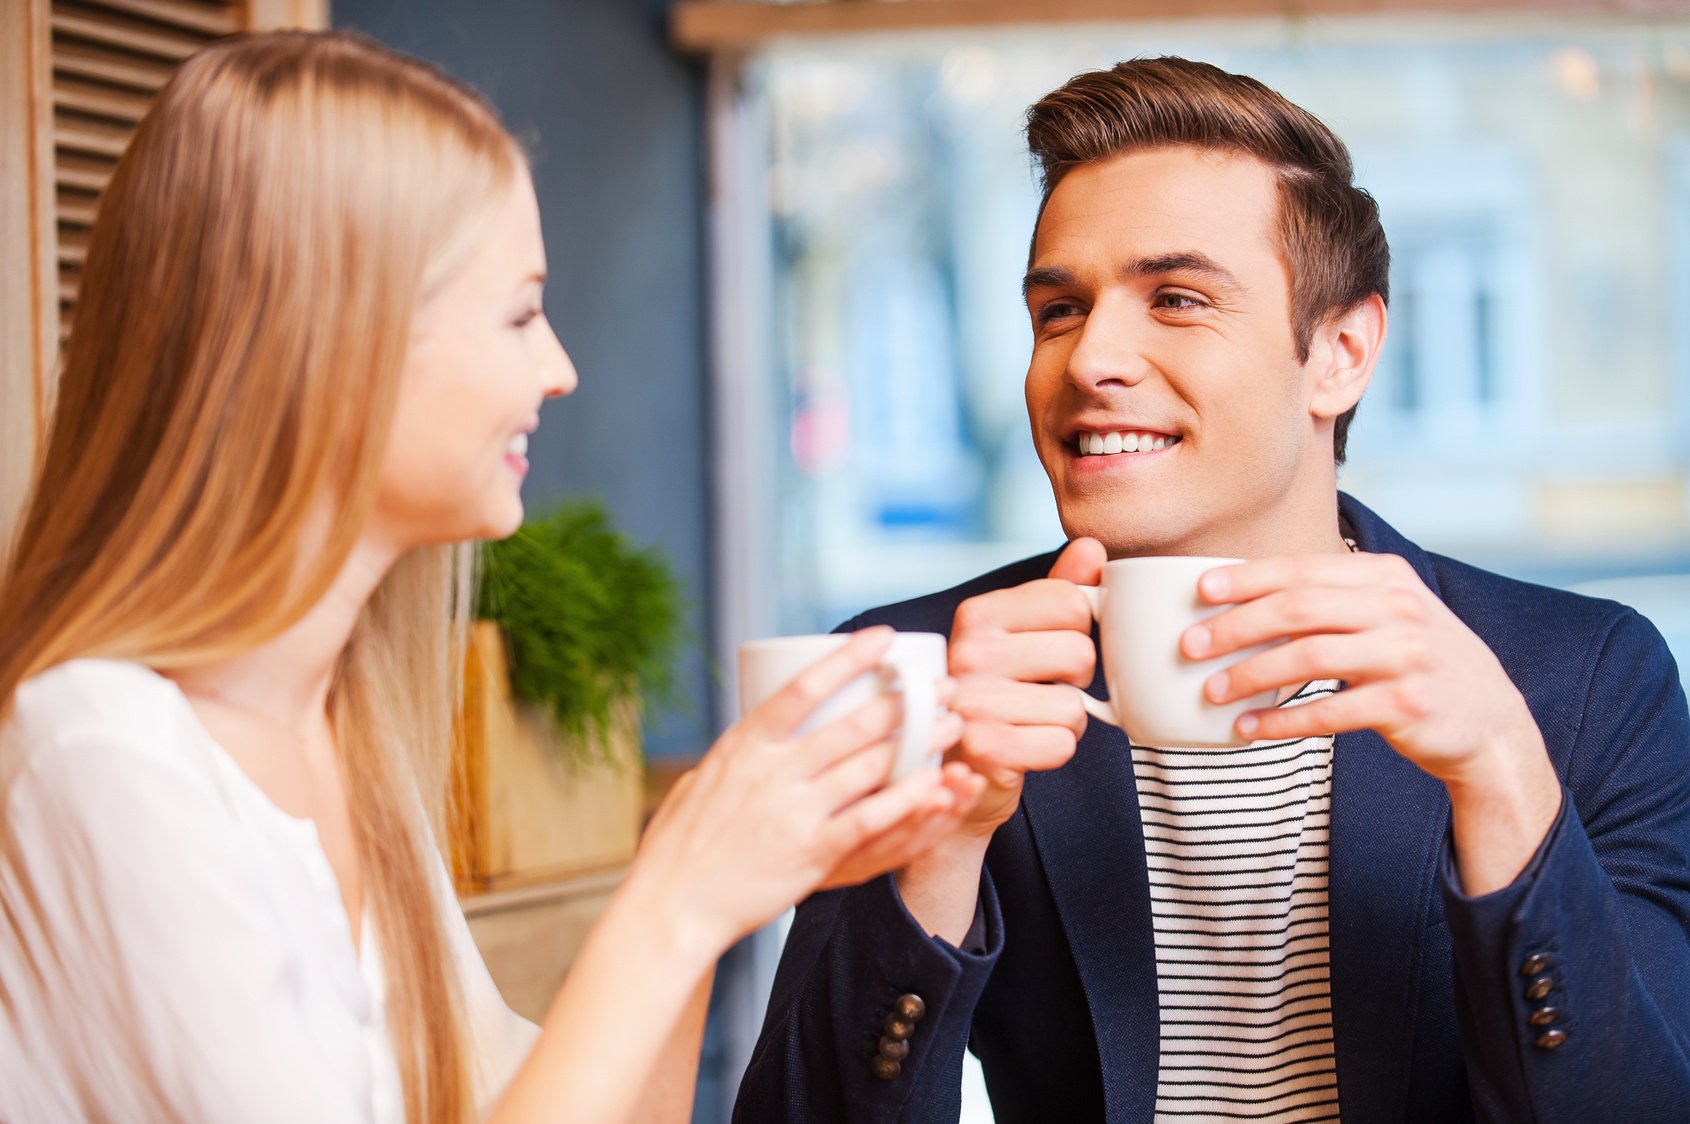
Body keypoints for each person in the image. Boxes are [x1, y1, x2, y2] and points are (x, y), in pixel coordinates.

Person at [0, 31, 986, 1124]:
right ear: (340, 341)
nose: (558, 368)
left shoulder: (344, 743)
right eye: (520, 310)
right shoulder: (103, 754)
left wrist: (704, 882)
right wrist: (675, 897)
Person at [734, 57, 1690, 1122]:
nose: (1091, 356)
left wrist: (1503, 776)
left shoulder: (1587, 681)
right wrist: (938, 854)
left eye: (1176, 298)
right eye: (1058, 309)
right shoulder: (928, 671)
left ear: (1340, 352)